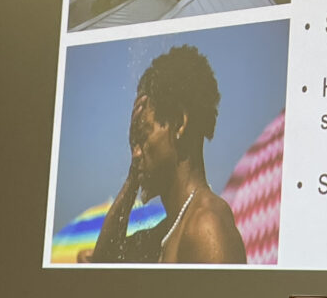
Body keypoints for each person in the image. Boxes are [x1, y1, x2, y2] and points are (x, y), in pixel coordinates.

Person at [87, 45, 247, 264]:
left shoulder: (205, 228)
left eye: (143, 136)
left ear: (179, 123)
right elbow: (102, 264)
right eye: (134, 142)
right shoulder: (170, 229)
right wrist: (133, 177)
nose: (135, 153)